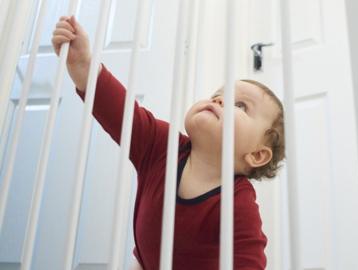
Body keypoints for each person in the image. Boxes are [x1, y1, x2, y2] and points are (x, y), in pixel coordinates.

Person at [51, 15, 285, 270]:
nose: (219, 101)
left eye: (240, 105)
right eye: (217, 95)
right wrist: (83, 64)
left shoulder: (238, 205)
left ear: (257, 155)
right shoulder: (162, 147)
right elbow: (121, 112)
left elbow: (248, 262)